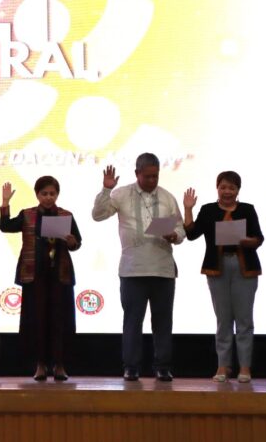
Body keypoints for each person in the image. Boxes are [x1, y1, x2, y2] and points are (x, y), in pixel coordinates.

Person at [92, 153, 184, 382]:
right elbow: (98, 215)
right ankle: (131, 367)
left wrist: (175, 235)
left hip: (163, 269)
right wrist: (106, 189)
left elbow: (181, 229)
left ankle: (163, 366)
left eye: (155, 176)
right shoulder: (121, 194)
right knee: (132, 321)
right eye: (147, 176)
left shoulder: (168, 197)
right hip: (132, 269)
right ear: (137, 173)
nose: (152, 180)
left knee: (163, 321)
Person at [182, 171, 263, 383]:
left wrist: (245, 241)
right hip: (217, 268)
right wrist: (188, 209)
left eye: (232, 188)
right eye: (223, 187)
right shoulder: (208, 210)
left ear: (238, 190)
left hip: (244, 267)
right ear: (217, 188)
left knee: (244, 319)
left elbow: (258, 238)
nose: (227, 192)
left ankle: (245, 367)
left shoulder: (247, 209)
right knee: (223, 319)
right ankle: (223, 366)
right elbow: (191, 234)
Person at [0, 176, 81, 382]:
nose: (48, 197)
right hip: (34, 275)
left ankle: (60, 364)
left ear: (57, 195)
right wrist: (5, 203)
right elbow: (6, 226)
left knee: (60, 320)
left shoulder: (66, 215)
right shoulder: (27, 214)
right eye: (44, 193)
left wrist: (72, 241)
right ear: (37, 195)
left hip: (59, 276)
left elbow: (77, 243)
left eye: (52, 193)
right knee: (36, 321)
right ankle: (40, 365)